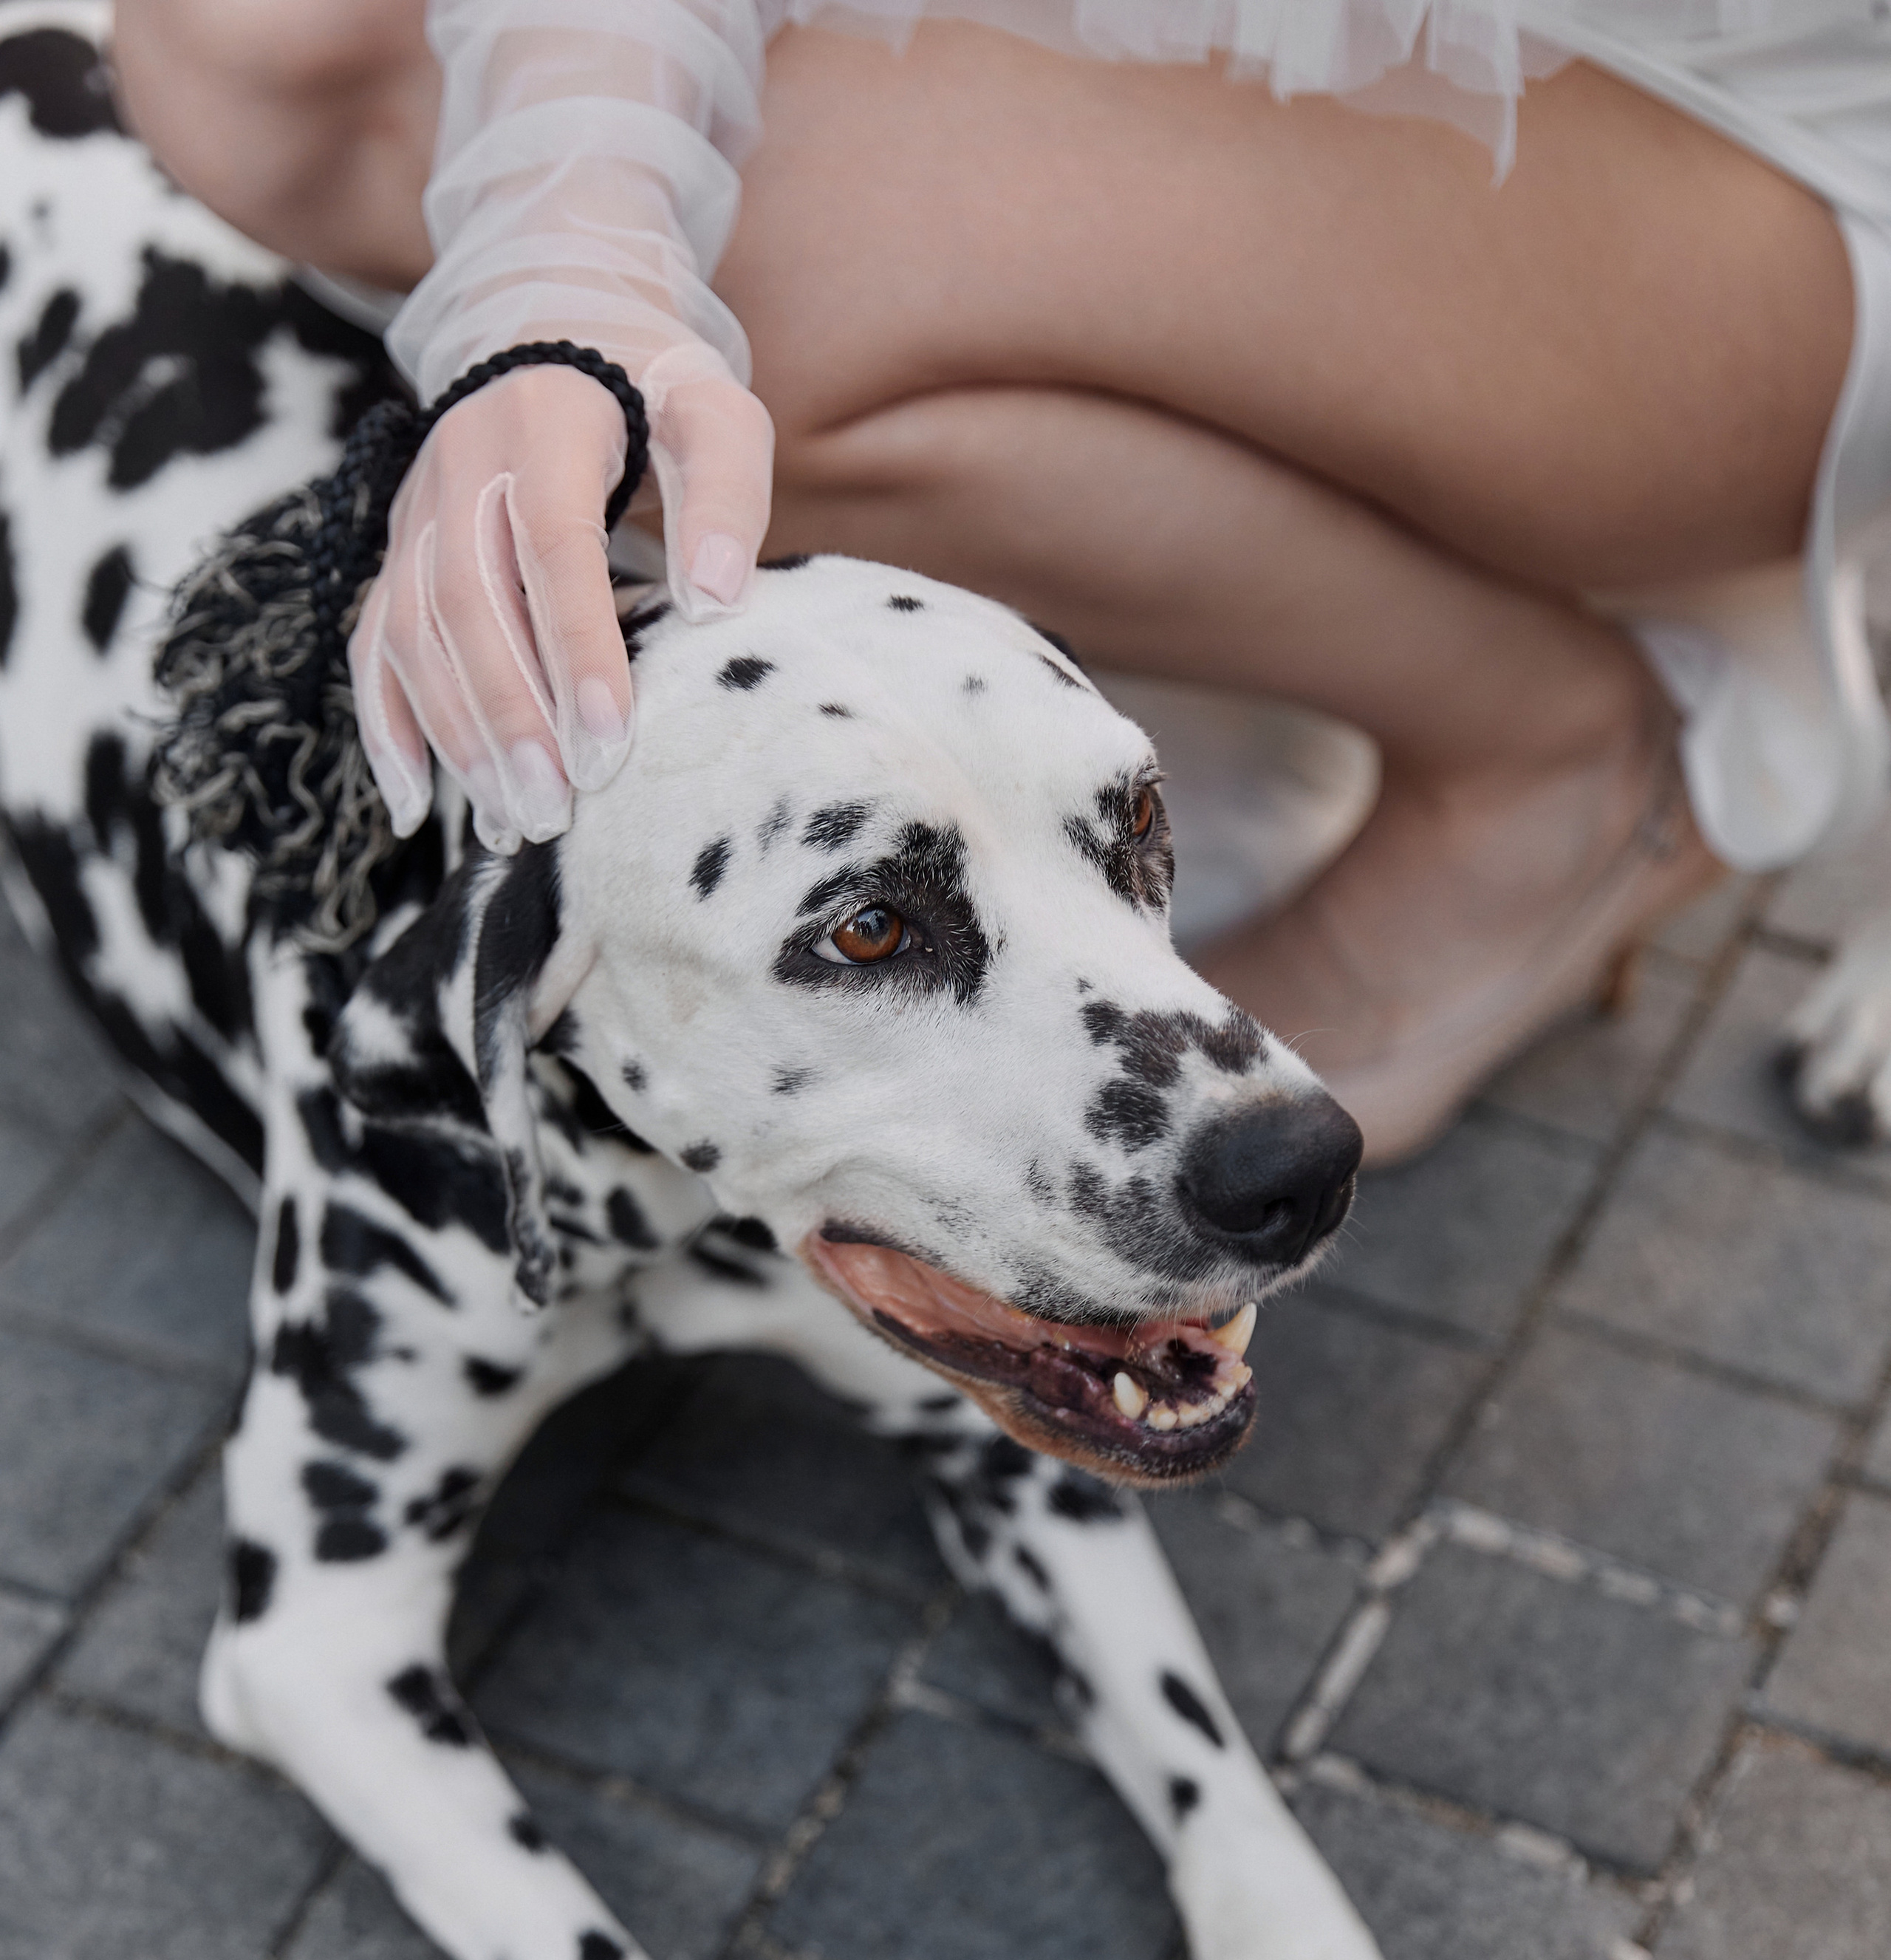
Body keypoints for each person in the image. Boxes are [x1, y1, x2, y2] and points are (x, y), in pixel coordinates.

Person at [112, 3, 1891, 1158]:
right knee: (262, 42)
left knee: (765, 316)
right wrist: (567, 281)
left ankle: (1559, 762)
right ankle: (1257, 654)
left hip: (1771, 172)